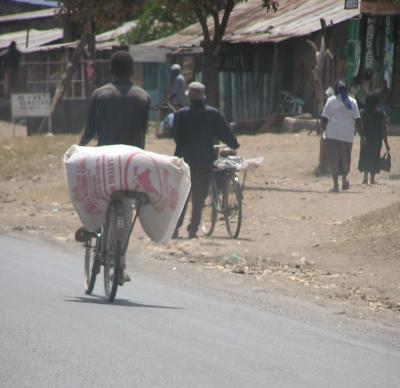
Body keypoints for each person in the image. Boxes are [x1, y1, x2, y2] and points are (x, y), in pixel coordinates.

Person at [77, 50, 151, 285]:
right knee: (127, 211)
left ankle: (91, 227)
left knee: (95, 198)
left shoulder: (100, 94)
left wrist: (78, 150)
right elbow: (143, 133)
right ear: (132, 71)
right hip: (131, 163)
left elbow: (89, 131)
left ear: (110, 70)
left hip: (104, 162)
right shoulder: (143, 97)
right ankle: (121, 264)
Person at [173, 81, 240, 238]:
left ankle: (175, 229)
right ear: (203, 97)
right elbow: (225, 133)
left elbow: (176, 137)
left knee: (182, 196)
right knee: (199, 196)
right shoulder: (213, 113)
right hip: (205, 161)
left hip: (184, 161)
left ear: (189, 97)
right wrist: (234, 144)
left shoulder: (181, 114)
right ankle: (192, 229)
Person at [321, 80, 362, 192]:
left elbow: (324, 118)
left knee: (334, 159)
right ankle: (344, 179)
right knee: (345, 158)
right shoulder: (353, 102)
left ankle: (335, 186)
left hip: (333, 134)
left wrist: (323, 131)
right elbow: (358, 120)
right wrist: (362, 136)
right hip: (347, 135)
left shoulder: (331, 100)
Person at [358, 92, 390, 184]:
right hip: (376, 139)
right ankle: (372, 179)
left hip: (365, 139)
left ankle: (365, 178)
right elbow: (383, 130)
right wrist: (386, 144)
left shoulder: (362, 113)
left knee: (364, 156)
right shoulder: (381, 114)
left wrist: (362, 137)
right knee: (375, 157)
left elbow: (360, 127)